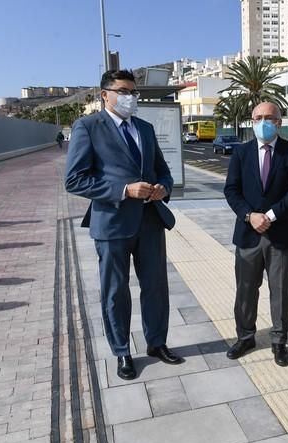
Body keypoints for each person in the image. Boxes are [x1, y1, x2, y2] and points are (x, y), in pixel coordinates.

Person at [65, 69, 183, 381]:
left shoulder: (144, 128)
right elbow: (74, 179)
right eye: (124, 90)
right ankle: (122, 351)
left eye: (134, 92)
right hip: (112, 224)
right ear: (105, 94)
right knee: (116, 292)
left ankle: (156, 343)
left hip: (150, 221)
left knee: (156, 287)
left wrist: (163, 187)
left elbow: (163, 170)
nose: (130, 97)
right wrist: (123, 191)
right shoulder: (88, 127)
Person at [223, 102, 288, 367]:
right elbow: (231, 190)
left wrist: (269, 216)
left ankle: (279, 341)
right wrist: (250, 216)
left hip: (280, 234)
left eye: (269, 117)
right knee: (246, 290)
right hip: (248, 233)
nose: (263, 122)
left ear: (279, 122)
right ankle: (245, 336)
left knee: (280, 291)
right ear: (251, 120)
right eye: (258, 117)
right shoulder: (241, 153)